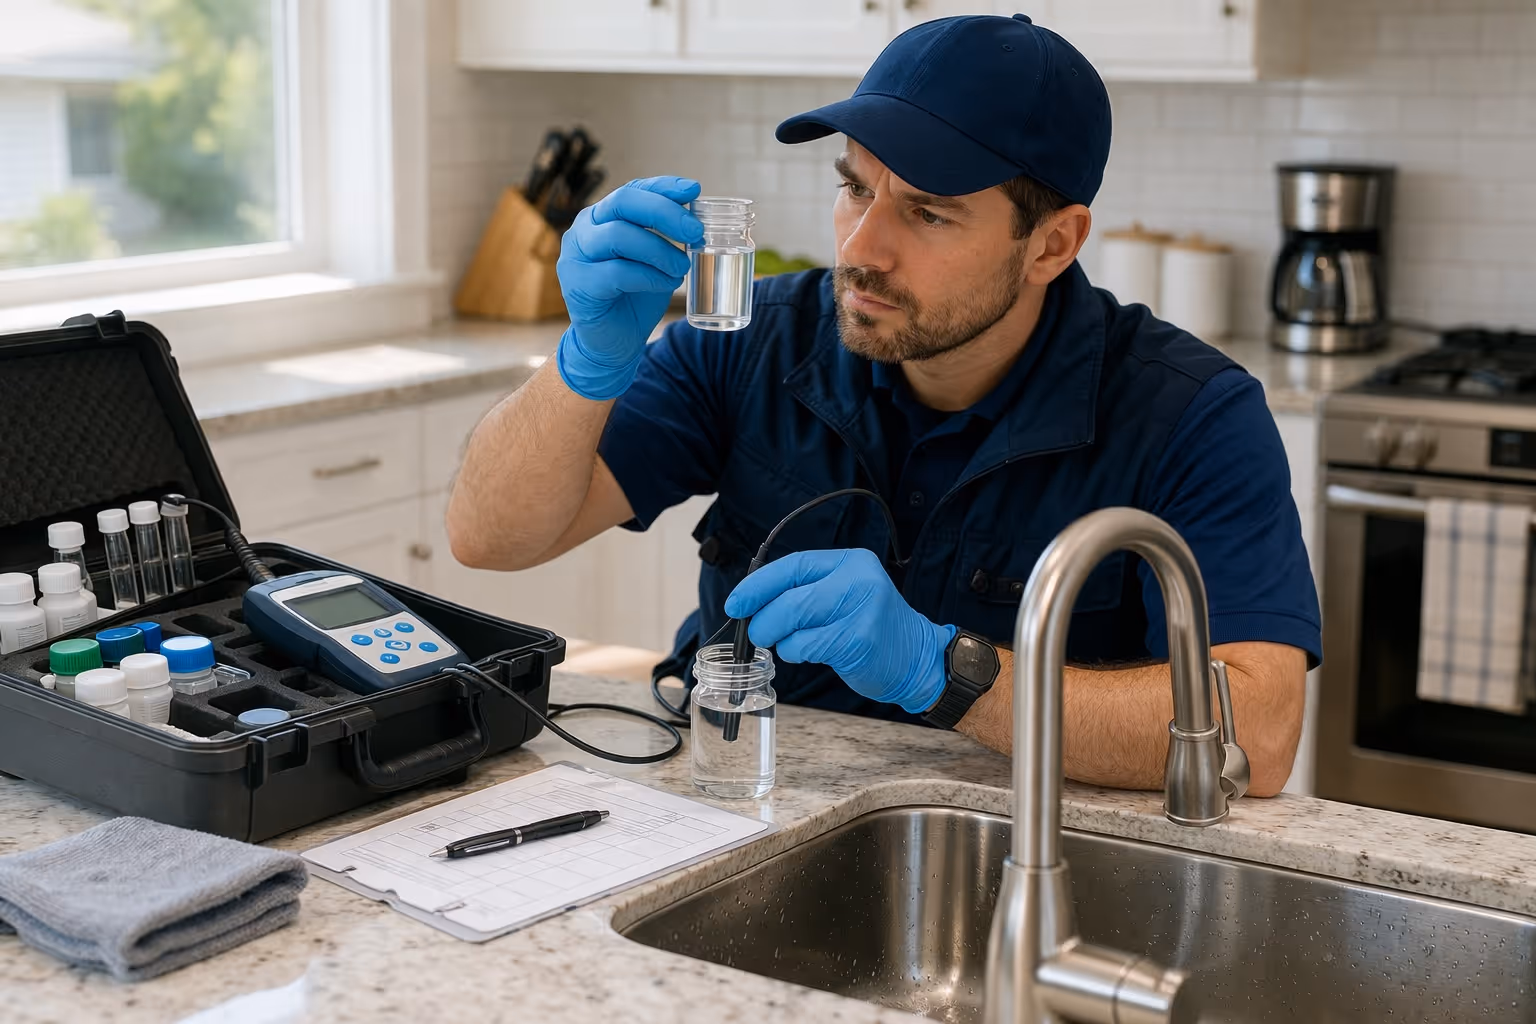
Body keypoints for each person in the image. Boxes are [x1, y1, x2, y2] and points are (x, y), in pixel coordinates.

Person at [446, 14, 1321, 797]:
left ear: (1052, 243)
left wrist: (947, 672)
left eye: (929, 213)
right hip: (738, 800)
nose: (862, 249)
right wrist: (586, 362)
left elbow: (1260, 731)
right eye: (855, 187)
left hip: (1021, 842)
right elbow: (491, 538)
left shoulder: (1191, 415)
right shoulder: (755, 340)